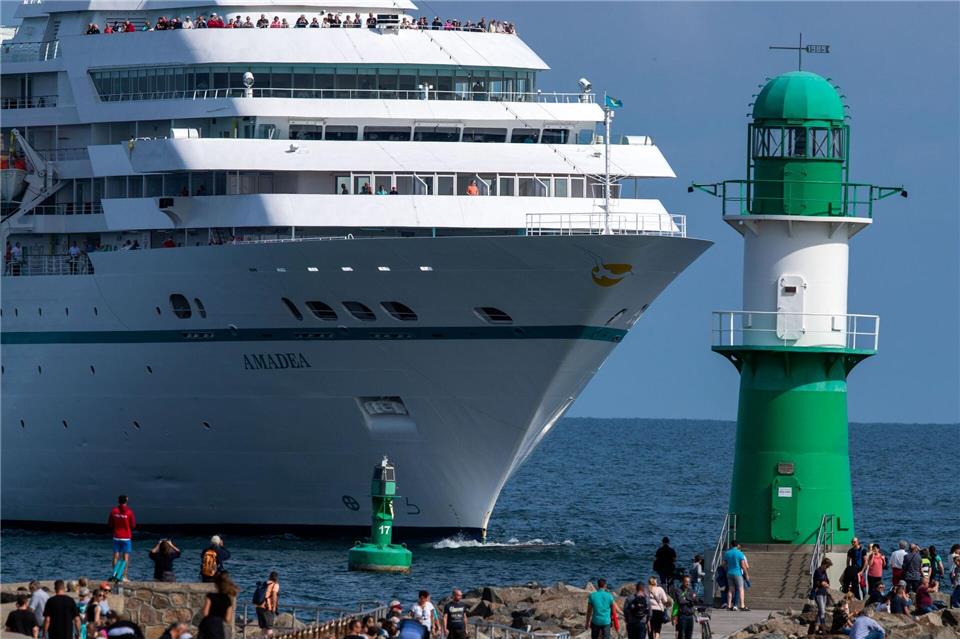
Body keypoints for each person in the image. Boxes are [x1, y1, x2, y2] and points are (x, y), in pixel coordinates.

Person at [198, 572, 236, 639]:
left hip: (207, 624)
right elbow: (228, 619)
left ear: (216, 584)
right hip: (218, 626)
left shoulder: (210, 596)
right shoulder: (227, 600)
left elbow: (205, 613)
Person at [108, 495, 136, 580]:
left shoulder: (114, 511)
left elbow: (110, 524)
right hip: (126, 537)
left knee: (115, 556)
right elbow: (133, 525)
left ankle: (116, 574)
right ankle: (124, 576)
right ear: (126, 501)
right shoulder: (129, 512)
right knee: (125, 558)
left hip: (116, 536)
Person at [723, 540, 750, 611]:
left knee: (730, 589)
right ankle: (742, 605)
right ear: (737, 545)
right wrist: (746, 574)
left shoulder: (727, 553)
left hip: (729, 573)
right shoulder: (740, 553)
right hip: (737, 573)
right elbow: (743, 565)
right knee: (741, 589)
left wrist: (727, 571)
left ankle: (728, 605)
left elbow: (724, 565)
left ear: (731, 545)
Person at [255, 572, 280, 637]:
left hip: (258, 607)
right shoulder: (275, 585)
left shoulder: (265, 583)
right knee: (269, 628)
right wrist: (274, 607)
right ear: (276, 578)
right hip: (267, 608)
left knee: (263, 628)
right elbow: (274, 596)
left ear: (270, 576)